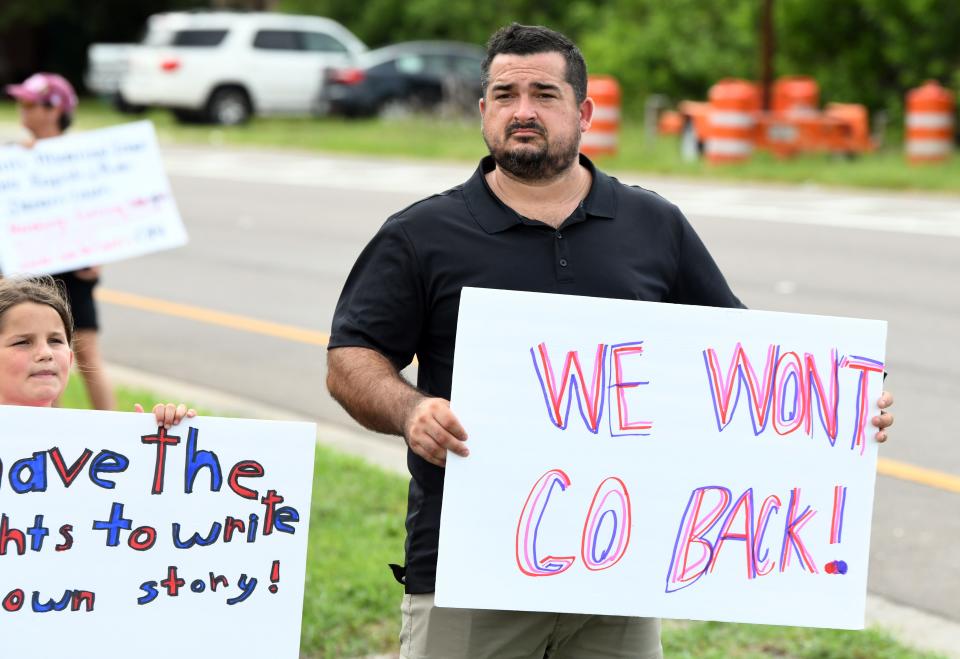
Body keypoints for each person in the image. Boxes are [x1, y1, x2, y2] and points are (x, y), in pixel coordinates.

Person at [326, 24, 896, 659]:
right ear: (483, 110)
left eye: (544, 93)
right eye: (505, 94)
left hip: (619, 577)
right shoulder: (421, 234)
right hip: (467, 573)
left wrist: (838, 407)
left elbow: (746, 367)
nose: (523, 111)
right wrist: (412, 412)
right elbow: (350, 359)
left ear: (584, 112)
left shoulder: (654, 225)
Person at [5, 73, 116, 411]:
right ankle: (51, 429)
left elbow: (102, 212)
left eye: (29, 102)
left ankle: (118, 434)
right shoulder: (13, 158)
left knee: (85, 354)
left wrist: (96, 257)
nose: (21, 109)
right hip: (23, 269)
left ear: (54, 109)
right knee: (39, 359)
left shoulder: (80, 159)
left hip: (72, 268)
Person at [0, 275, 193, 428]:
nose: (45, 353)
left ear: (70, 357)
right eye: (23, 342)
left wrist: (161, 434)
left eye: (55, 340)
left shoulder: (93, 440)